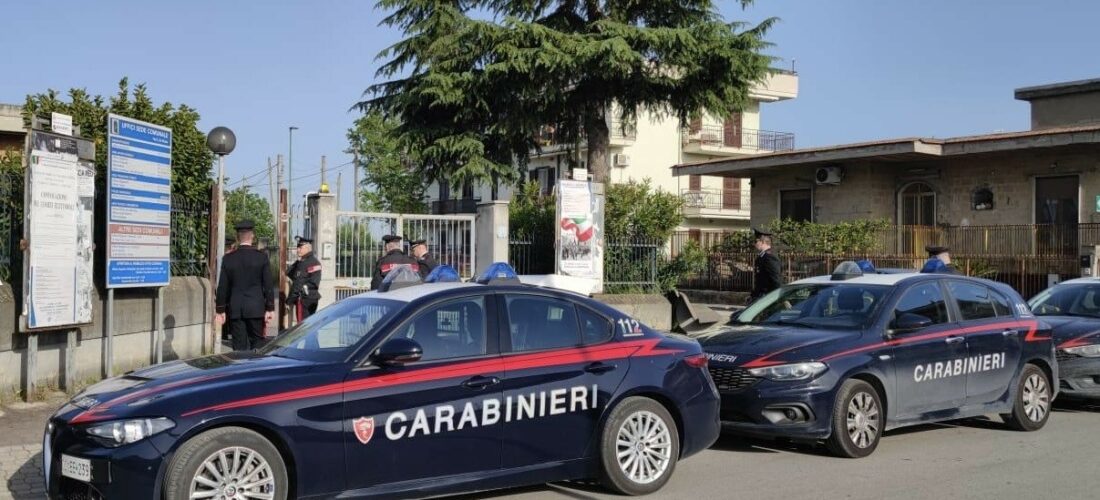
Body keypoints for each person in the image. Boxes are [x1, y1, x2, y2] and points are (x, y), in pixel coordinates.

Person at [216, 220, 275, 351]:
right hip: (256, 308)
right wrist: (270, 308)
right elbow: (268, 284)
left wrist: (220, 310)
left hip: (236, 309)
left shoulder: (228, 258)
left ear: (237, 237)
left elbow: (222, 287)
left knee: (238, 347)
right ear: (252, 236)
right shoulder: (261, 257)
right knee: (258, 346)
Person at [287, 236, 322, 321]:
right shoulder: (314, 261)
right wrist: (298, 262)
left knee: (302, 327)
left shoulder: (304, 263)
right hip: (312, 298)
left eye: (300, 247)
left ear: (307, 248)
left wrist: (289, 301)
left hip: (304, 299)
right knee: (310, 324)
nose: (298, 250)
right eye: (297, 247)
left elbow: (297, 284)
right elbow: (289, 273)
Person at [751, 228, 782, 302]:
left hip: (768, 296)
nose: (754, 244)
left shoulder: (769, 257)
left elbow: (776, 279)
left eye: (756, 241)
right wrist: (753, 295)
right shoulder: (762, 256)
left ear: (763, 242)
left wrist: (778, 297)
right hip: (761, 295)